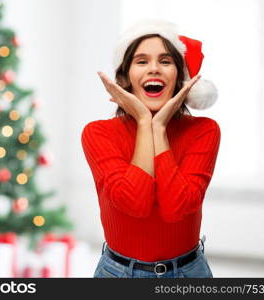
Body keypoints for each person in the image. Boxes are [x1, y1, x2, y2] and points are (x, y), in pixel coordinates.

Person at [81, 19, 221, 278]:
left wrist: (158, 130)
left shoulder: (204, 130)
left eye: (166, 61)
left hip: (189, 273)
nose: (154, 69)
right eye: (142, 61)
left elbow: (176, 207)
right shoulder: (98, 133)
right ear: (125, 78)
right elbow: (135, 204)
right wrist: (146, 123)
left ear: (181, 77)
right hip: (118, 273)